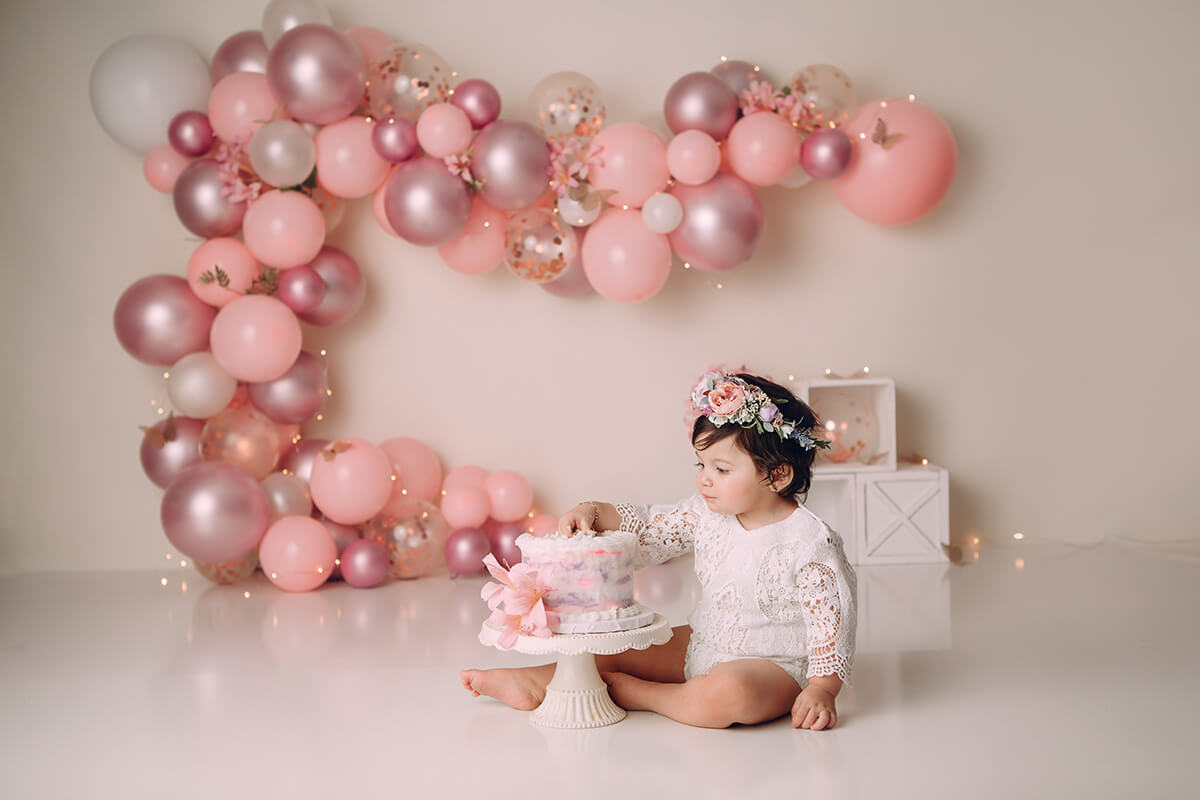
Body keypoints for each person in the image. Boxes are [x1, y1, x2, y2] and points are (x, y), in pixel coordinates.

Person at [461, 370, 857, 730]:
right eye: (700, 465)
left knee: (730, 694)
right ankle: (535, 680)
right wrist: (593, 511)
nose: (704, 480)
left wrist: (823, 687)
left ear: (777, 475)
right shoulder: (707, 514)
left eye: (721, 470)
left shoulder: (809, 542)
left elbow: (831, 625)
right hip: (703, 644)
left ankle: (638, 694)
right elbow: (649, 527)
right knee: (615, 647)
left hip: (773, 667)